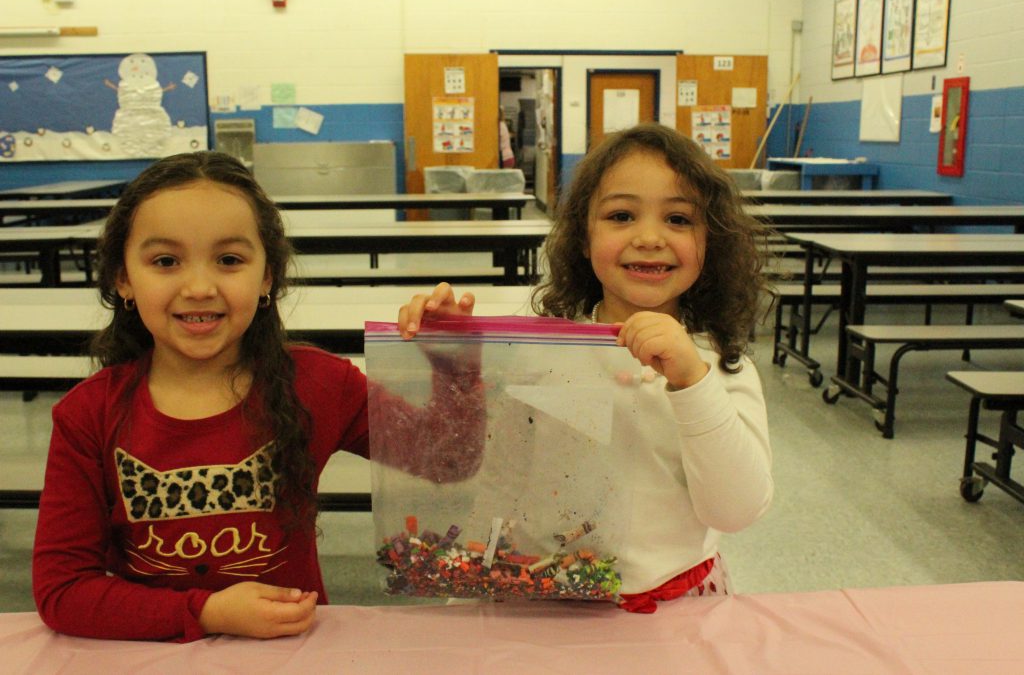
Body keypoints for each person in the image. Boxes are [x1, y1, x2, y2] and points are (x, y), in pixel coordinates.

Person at [32, 151, 482, 642]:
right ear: (124, 279)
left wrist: (453, 365)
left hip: (293, 655)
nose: (200, 287)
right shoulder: (88, 415)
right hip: (151, 656)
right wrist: (206, 612)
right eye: (165, 261)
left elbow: (450, 460)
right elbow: (63, 591)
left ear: (267, 276)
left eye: (229, 260)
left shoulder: (318, 385)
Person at [399, 123, 774, 613]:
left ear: (711, 241)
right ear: (582, 237)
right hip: (545, 604)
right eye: (621, 215)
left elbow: (736, 510)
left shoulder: (721, 368)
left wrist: (691, 381)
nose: (649, 237)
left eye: (679, 219)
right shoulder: (543, 354)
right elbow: (505, 477)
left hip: (680, 607)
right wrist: (468, 588)